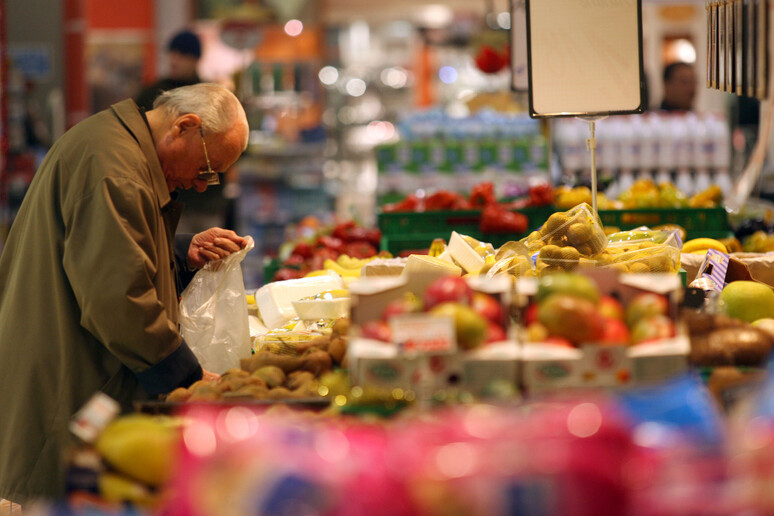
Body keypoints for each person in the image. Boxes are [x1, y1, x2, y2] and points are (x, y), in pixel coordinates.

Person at [0, 83, 250, 504]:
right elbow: (117, 298)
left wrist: (176, 252)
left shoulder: (120, 150)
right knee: (54, 493)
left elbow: (105, 251)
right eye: (208, 168)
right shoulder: (113, 166)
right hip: (66, 378)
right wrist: (187, 378)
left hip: (81, 366)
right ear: (184, 127)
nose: (204, 185)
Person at [135, 30, 202, 112]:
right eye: (172, 54)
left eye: (182, 56)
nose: (174, 62)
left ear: (195, 60)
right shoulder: (153, 92)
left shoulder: (205, 94)